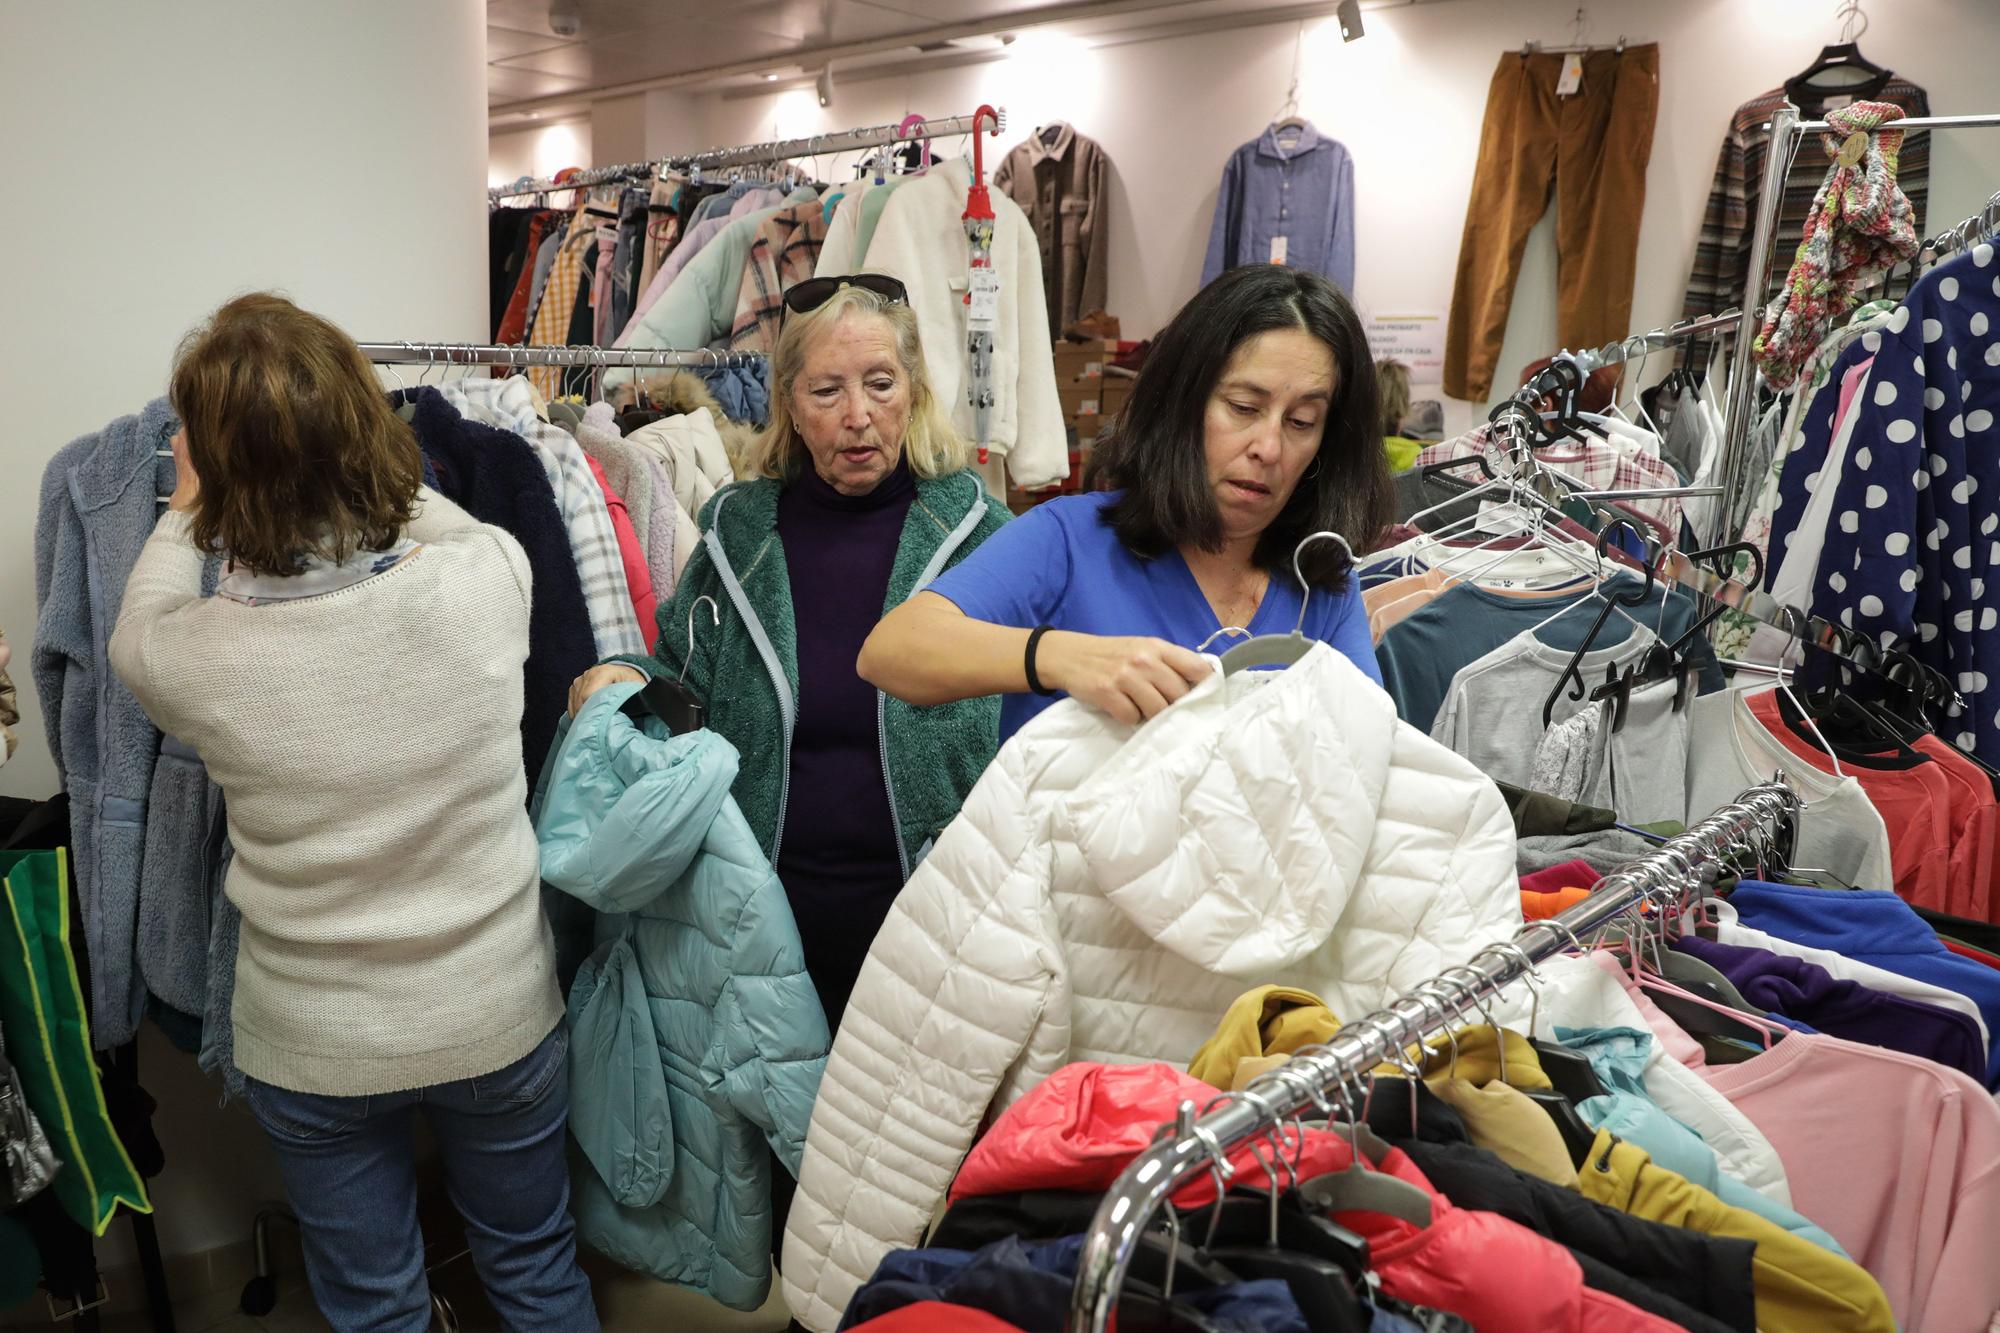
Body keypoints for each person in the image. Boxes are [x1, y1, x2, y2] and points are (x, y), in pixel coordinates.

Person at [108, 294, 597, 1332]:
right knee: (535, 1270)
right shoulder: (487, 580)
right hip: (495, 1009)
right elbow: (434, 519)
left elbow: (136, 625)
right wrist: (360, 459)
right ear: (369, 433)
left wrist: (195, 497)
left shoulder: (192, 653)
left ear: (217, 471)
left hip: (315, 1042)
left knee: (376, 1309)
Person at [567, 273, 1012, 1035]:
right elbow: (683, 676)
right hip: (765, 930)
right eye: (826, 391)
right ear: (789, 405)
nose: (858, 416)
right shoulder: (738, 535)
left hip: (943, 925)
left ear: (914, 390)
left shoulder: (983, 537)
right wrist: (627, 678)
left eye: (880, 383)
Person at [860, 264, 1394, 741]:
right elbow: (891, 652)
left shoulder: (1321, 586)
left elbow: (1368, 755)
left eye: (1302, 423)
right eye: (1243, 406)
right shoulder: (1070, 540)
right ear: (1184, 403)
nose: (1269, 447)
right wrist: (1063, 657)